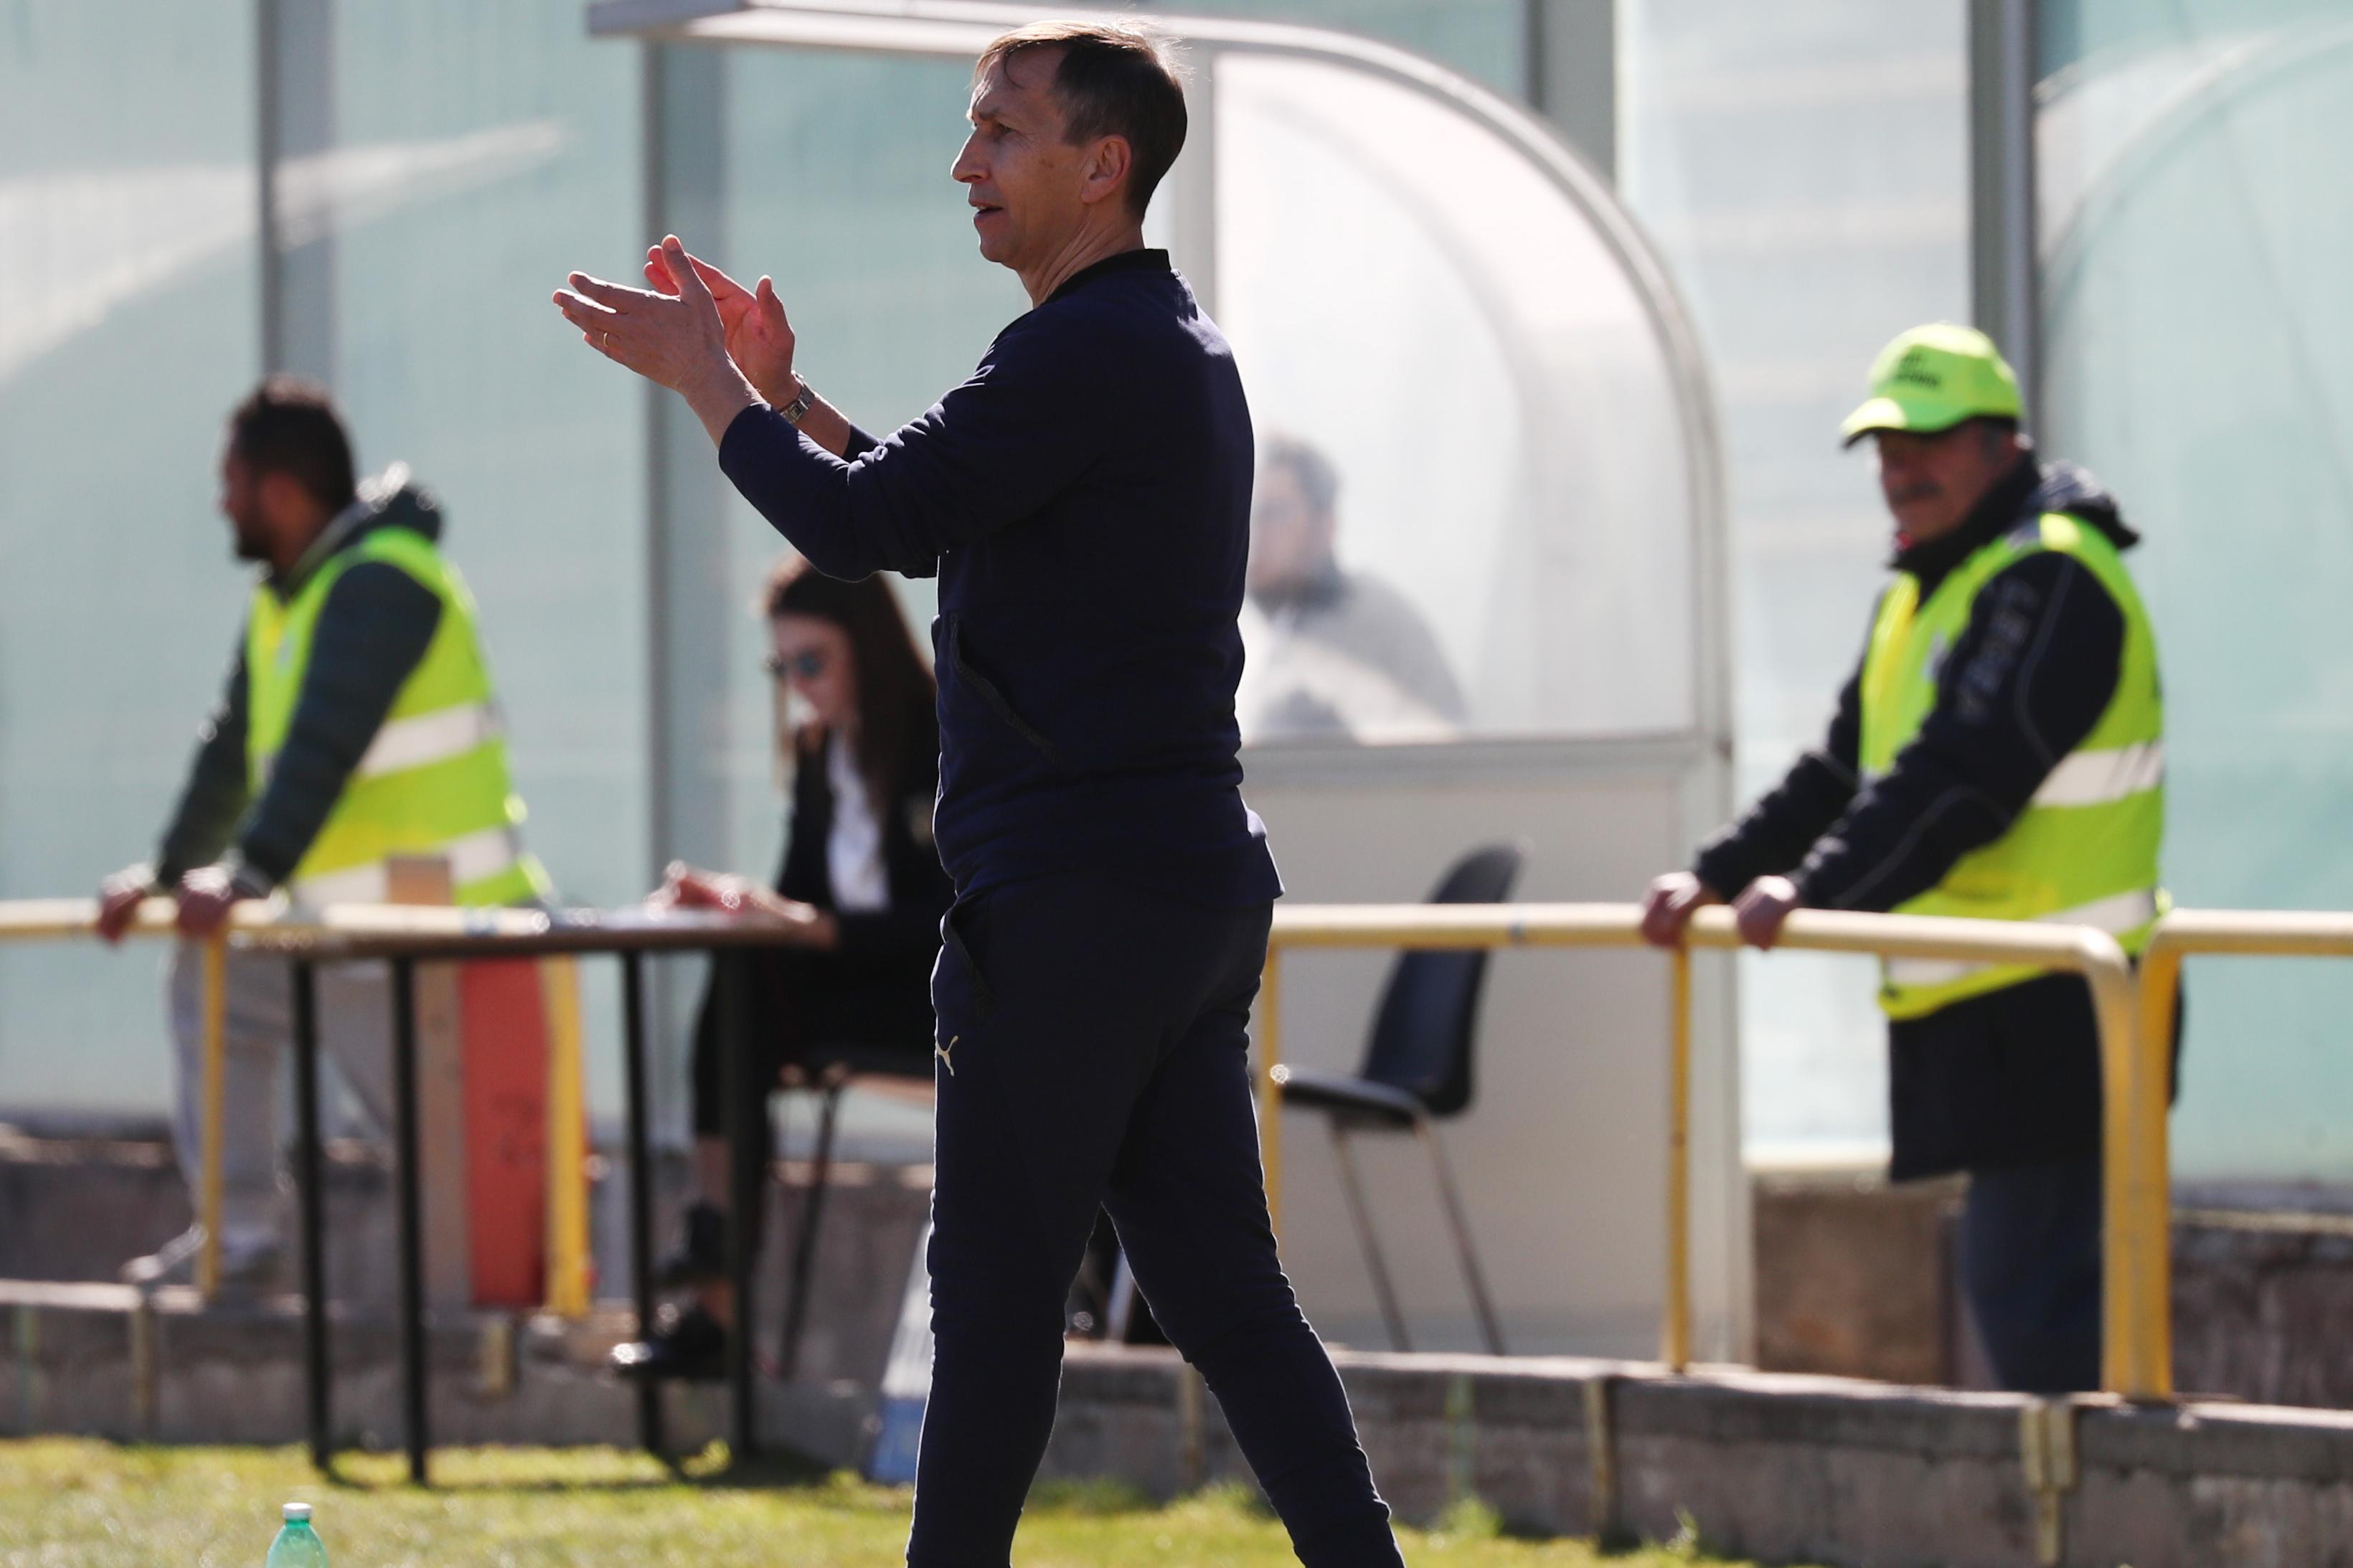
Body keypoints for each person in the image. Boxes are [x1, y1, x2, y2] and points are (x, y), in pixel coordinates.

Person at [553, 19, 1404, 1565]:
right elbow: (945, 517)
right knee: (1219, 1291)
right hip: (1180, 891)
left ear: (1103, 165)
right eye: (968, 129)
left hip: (1073, 904)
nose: (965, 164)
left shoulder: (1078, 350)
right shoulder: (1161, 350)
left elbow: (868, 521)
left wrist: (708, 390)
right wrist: (790, 398)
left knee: (1000, 1304)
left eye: (1000, 133)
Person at [1641, 323, 2172, 1394]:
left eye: (1924, 442)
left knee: (2036, 1309)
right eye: (1882, 449)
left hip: (2070, 1003)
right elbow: (1840, 774)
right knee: (2030, 1310)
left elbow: (1961, 776)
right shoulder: (1930, 589)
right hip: (1996, 1005)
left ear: (2000, 445)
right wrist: (1720, 870)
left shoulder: (2052, 578)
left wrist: (1816, 887)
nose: (1898, 471)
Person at [94, 377, 548, 1292]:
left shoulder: (383, 580)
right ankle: (243, 1239)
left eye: (232, 481)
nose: (221, 501)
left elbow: (322, 742)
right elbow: (231, 756)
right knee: (211, 975)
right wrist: (167, 872)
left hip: (446, 939)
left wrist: (249, 872)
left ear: (282, 491)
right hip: (353, 935)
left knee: (467, 1198)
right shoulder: (287, 600)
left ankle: (507, 1336)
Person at [612, 557, 951, 1381]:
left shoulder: (943, 734)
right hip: (851, 985)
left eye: (813, 661)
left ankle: (713, 1268)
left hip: (940, 992)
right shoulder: (816, 753)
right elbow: (800, 901)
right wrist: (734, 900)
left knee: (749, 989)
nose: (798, 685)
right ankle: (713, 1267)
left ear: (865, 646)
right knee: (737, 980)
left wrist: (811, 926)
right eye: (783, 666)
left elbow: (952, 913)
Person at [1239, 433, 1466, 742]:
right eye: (1249, 513)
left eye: (1274, 513)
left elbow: (1440, 746)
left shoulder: (1368, 622)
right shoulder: (1265, 631)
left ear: (1325, 526)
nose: (1256, 532)